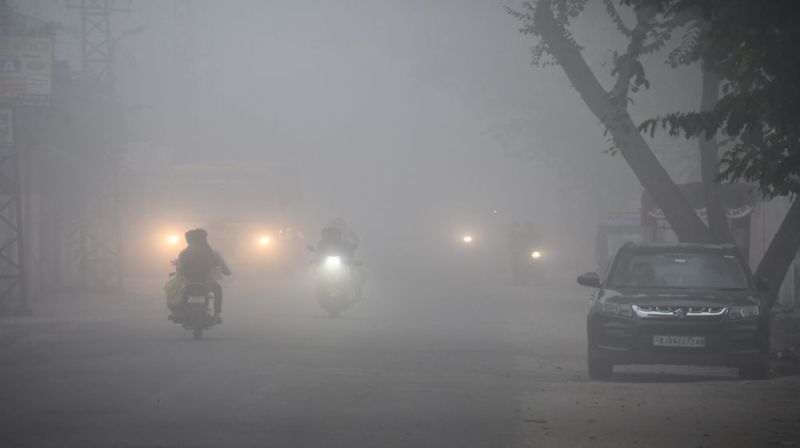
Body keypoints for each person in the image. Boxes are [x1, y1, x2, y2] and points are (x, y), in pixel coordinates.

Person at [176, 228, 231, 323]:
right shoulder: (212, 253)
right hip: (206, 283)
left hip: (187, 283)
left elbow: (179, 270)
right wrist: (225, 271)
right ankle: (216, 314)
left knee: (178, 291)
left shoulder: (183, 253)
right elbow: (226, 271)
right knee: (218, 289)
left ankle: (181, 312)